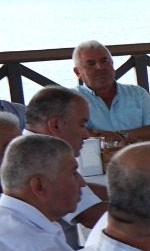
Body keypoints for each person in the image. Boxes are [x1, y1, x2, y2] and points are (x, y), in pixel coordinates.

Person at [24, 86, 106, 234]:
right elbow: (93, 216)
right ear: (55, 125)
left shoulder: (26, 146)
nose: (86, 135)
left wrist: (128, 192)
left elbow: (83, 189)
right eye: (81, 125)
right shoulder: (41, 156)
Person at [72, 39, 150, 144]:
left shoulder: (137, 93)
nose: (99, 67)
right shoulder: (71, 100)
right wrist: (107, 138)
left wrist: (120, 135)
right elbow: (72, 131)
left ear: (112, 64)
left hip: (139, 156)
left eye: (104, 61)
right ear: (77, 72)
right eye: (91, 63)